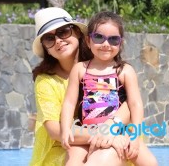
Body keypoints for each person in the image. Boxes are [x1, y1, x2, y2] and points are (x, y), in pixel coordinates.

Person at [30, 7, 135, 166]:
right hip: (63, 148)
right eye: (49, 38)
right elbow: (55, 131)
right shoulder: (45, 81)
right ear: (46, 49)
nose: (58, 40)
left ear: (77, 32)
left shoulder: (101, 64)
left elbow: (129, 103)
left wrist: (112, 129)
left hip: (112, 138)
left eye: (63, 31)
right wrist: (105, 134)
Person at [60, 11, 158, 166]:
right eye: (99, 37)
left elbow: (135, 105)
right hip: (87, 132)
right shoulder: (80, 69)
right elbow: (69, 103)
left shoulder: (124, 71)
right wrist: (65, 129)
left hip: (118, 131)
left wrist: (135, 137)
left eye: (113, 39)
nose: (106, 44)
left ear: (120, 43)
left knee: (150, 163)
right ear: (88, 40)